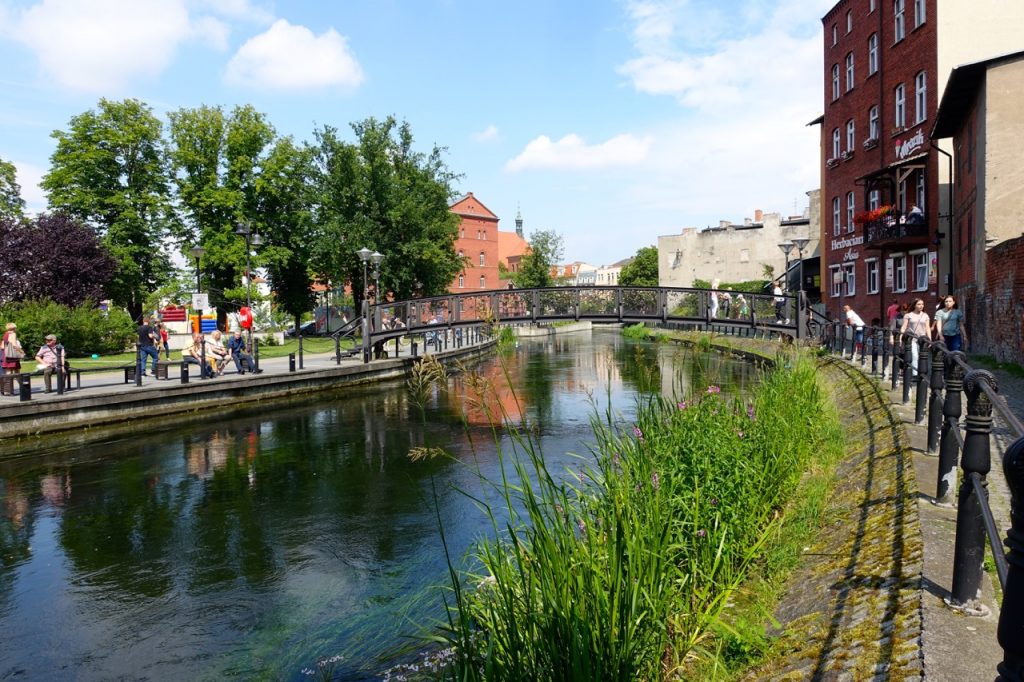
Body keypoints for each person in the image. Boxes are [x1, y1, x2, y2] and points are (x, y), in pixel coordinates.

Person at [899, 298, 932, 376]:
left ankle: (923, 373)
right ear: (914, 305)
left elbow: (927, 328)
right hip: (912, 339)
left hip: (923, 339)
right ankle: (915, 375)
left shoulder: (925, 315)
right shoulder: (908, 315)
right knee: (914, 356)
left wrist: (930, 339)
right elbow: (904, 327)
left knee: (922, 357)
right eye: (919, 304)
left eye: (922, 304)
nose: (921, 306)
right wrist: (900, 337)